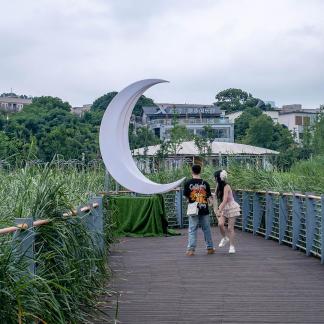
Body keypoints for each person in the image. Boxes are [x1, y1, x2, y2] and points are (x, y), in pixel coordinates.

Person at [184, 164, 215, 256]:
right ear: (200, 171)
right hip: (204, 209)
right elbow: (209, 198)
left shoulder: (188, 183)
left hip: (193, 210)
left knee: (192, 229)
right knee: (207, 229)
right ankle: (210, 248)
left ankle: (191, 250)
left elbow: (186, 197)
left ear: (192, 171)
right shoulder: (205, 183)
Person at [214, 169, 240, 254]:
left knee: (230, 228)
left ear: (218, 178)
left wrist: (219, 210)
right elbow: (215, 196)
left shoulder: (226, 186)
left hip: (231, 206)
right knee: (220, 224)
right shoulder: (218, 185)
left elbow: (225, 200)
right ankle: (225, 238)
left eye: (215, 177)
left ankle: (232, 246)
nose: (214, 179)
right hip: (224, 207)